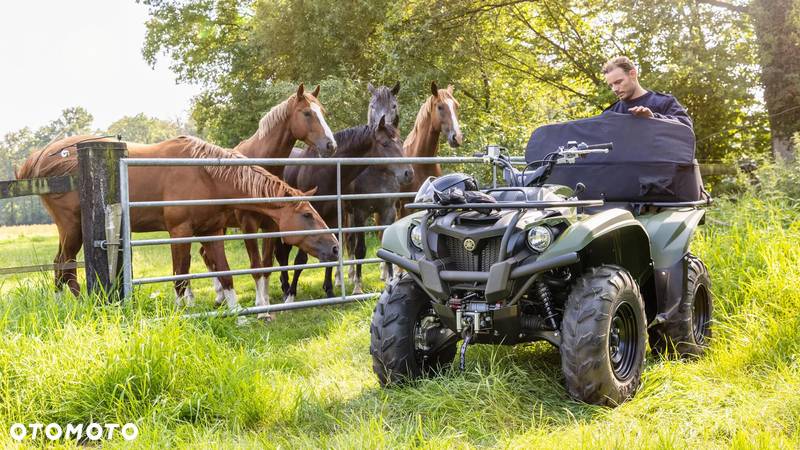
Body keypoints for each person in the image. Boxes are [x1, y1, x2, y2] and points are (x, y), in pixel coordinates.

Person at [602, 56, 692, 128]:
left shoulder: (664, 102)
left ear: (632, 74)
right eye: (611, 85)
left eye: (618, 82)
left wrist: (653, 118)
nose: (614, 89)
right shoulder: (609, 114)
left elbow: (686, 127)